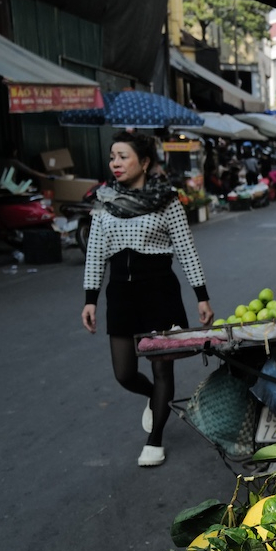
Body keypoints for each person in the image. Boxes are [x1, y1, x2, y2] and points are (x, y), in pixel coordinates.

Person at [80, 131, 214, 468]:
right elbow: (95, 253)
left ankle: (154, 441)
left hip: (159, 292)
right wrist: (90, 299)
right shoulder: (104, 200)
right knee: (124, 373)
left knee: (161, 372)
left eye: (123, 156)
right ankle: (156, 401)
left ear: (145, 162)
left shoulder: (166, 200)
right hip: (121, 294)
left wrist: (202, 297)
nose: (116, 163)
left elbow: (186, 249)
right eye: (113, 157)